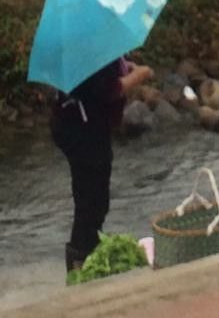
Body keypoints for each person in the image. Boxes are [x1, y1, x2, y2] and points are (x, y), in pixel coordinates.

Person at [51, 56, 154, 273]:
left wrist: (126, 68)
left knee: (90, 198)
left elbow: (104, 78)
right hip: (84, 129)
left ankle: (84, 255)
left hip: (73, 125)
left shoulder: (80, 46)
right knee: (92, 200)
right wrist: (139, 76)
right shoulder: (88, 47)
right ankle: (81, 262)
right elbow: (107, 89)